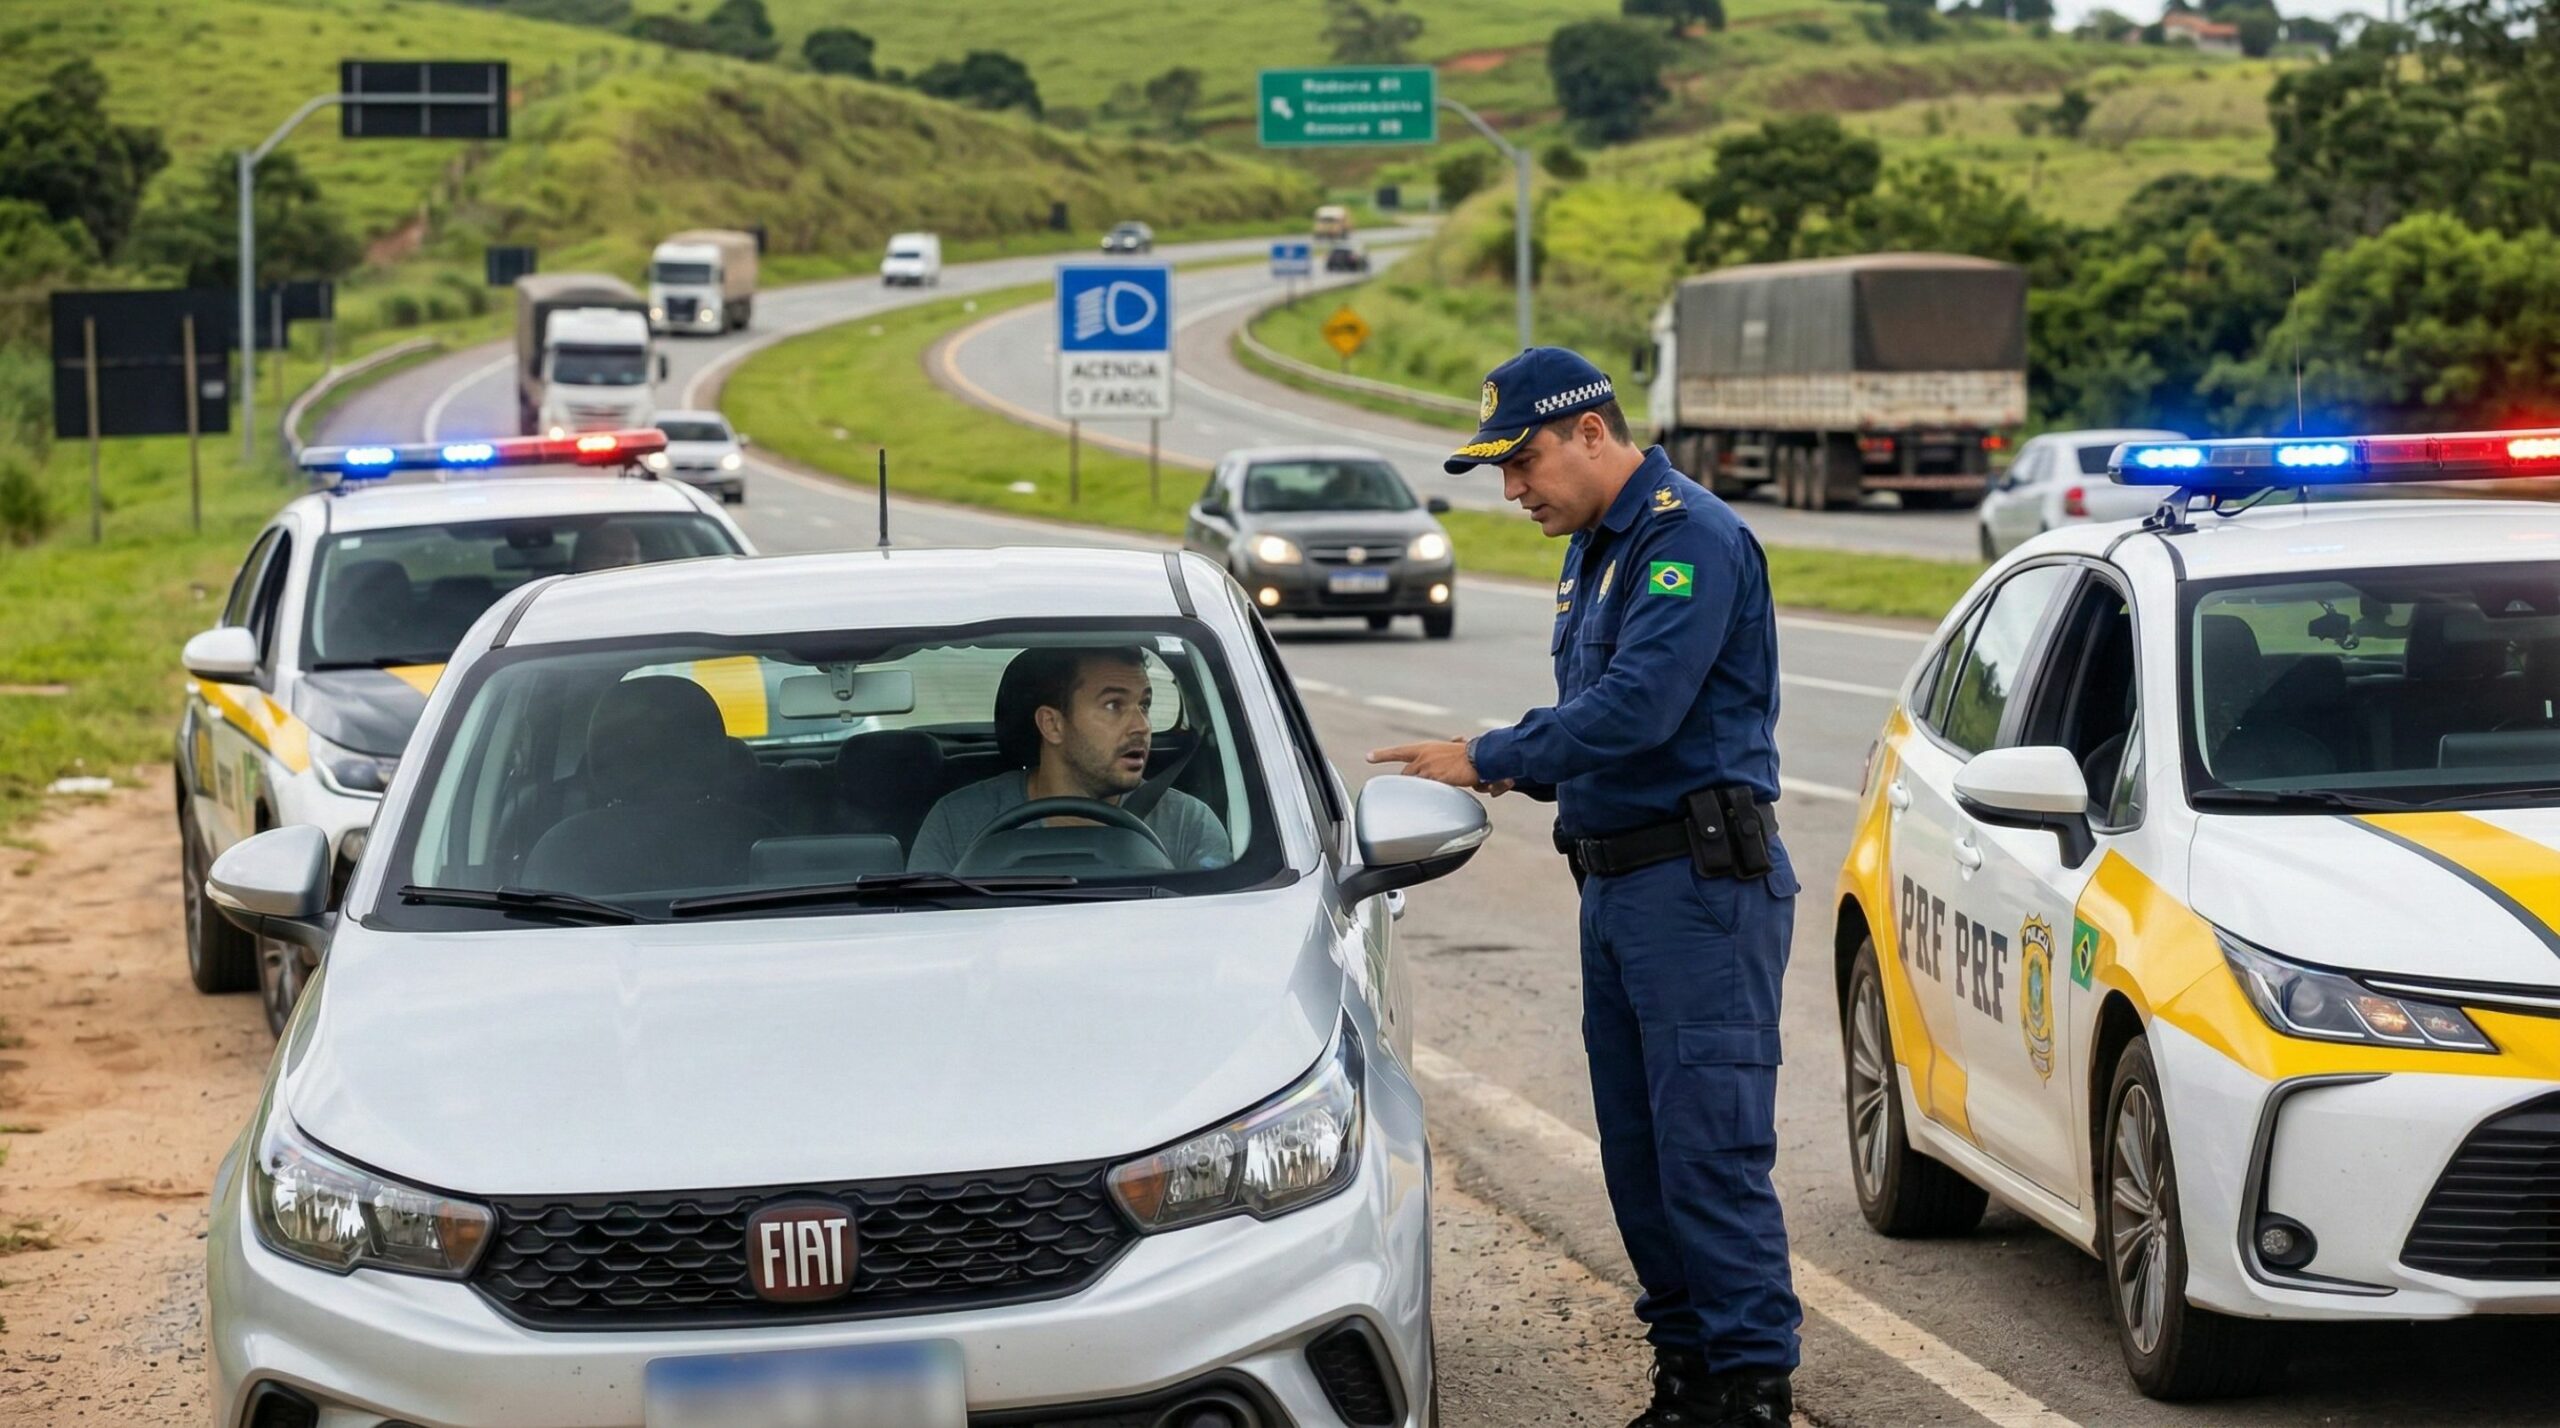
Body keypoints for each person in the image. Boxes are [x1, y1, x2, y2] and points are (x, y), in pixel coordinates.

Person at [1370, 348, 1802, 1428]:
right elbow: (1607, 718)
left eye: (1524, 463)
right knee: (1640, 1157)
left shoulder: (1683, 539)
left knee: (1707, 1149)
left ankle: (1747, 1391)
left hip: (1697, 889)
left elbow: (1640, 706)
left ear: (1592, 434)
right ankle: (1687, 1377)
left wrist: (1490, 754)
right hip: (1619, 885)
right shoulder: (1595, 549)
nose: (1514, 490)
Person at [908, 646, 1229, 873]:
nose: (1142, 726)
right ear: (1052, 724)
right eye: (1113, 705)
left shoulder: (1190, 825)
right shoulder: (957, 823)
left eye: (1143, 705)